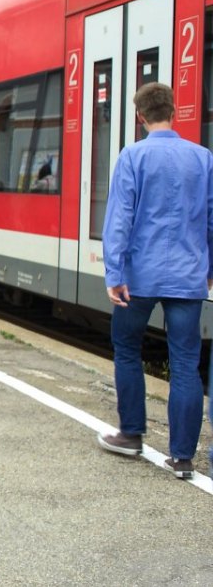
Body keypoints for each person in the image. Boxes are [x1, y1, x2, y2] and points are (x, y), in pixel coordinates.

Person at [97, 82, 213, 480]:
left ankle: (131, 434)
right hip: (188, 277)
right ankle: (182, 459)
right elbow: (211, 219)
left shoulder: (132, 156)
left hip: (138, 278)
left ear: (140, 117)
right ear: (175, 112)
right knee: (185, 364)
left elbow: (119, 220)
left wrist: (115, 273)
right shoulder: (203, 158)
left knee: (127, 349)